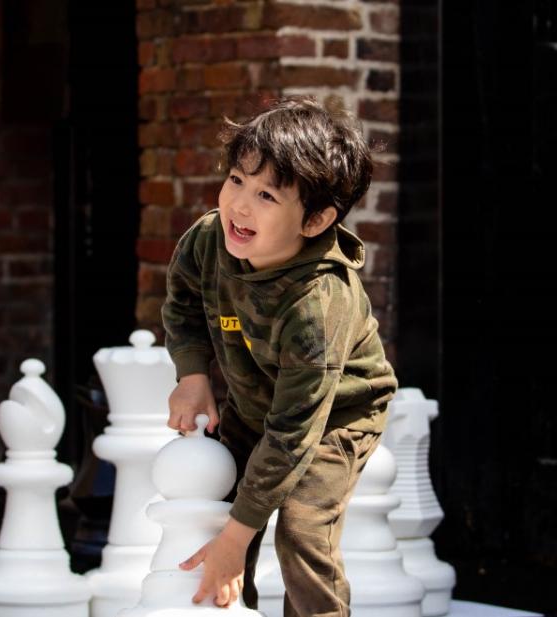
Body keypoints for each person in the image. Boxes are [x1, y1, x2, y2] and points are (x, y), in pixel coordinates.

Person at [161, 96, 400, 616]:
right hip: (256, 402)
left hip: (334, 414)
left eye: (267, 195)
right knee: (214, 512)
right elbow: (181, 302)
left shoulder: (318, 303)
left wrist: (236, 538)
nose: (239, 206)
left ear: (315, 220)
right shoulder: (209, 240)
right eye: (236, 181)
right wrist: (193, 374)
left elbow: (294, 433)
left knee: (299, 527)